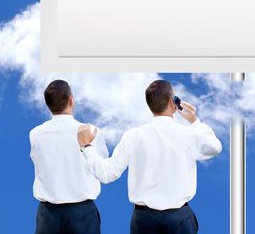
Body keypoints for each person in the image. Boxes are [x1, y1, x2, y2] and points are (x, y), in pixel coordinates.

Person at [77, 79, 222, 234]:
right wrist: (194, 121)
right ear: (173, 102)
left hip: (144, 221)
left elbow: (106, 174)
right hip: (179, 220)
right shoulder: (190, 134)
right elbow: (215, 147)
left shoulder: (132, 136)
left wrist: (87, 148)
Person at [30, 80, 109, 234]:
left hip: (48, 215)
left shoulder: (35, 134)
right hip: (82, 213)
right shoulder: (92, 131)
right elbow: (101, 165)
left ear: (48, 105)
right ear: (71, 100)